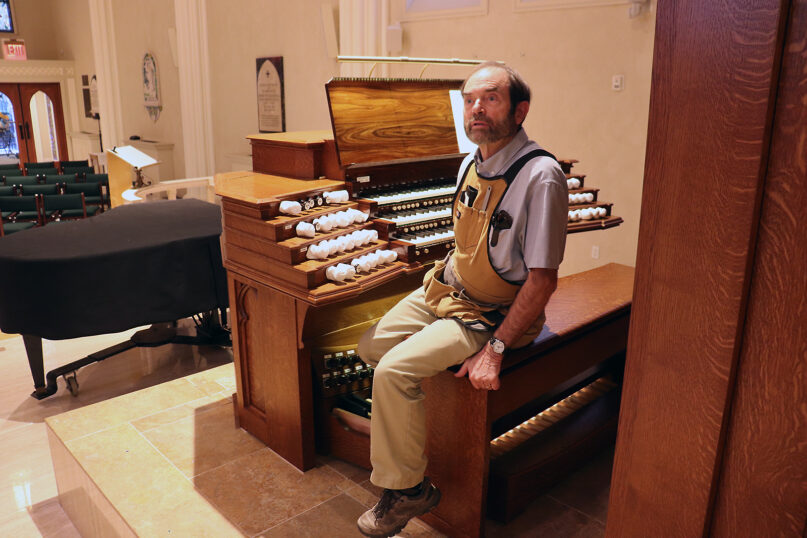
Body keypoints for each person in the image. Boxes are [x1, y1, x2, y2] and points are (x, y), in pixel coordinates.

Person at [356, 61, 568, 538]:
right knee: (370, 348)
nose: (476, 108)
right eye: (470, 99)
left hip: (492, 315)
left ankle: (410, 489)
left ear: (519, 111)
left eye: (490, 98)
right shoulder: (470, 162)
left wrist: (495, 350)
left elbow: (542, 281)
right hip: (448, 291)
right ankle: (413, 438)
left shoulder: (541, 175)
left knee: (393, 371)